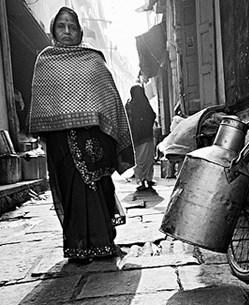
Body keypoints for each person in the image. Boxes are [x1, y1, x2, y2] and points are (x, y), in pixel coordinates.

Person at [29, 7, 134, 263]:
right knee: (72, 191)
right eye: (61, 26)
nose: (66, 31)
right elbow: (42, 104)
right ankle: (77, 246)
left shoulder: (93, 60)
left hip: (93, 141)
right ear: (53, 30)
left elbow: (110, 99)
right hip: (61, 144)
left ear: (80, 32)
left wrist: (107, 131)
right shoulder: (45, 61)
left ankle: (102, 241)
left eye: (72, 27)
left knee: (95, 187)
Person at [125, 85, 156, 190]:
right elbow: (153, 115)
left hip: (136, 138)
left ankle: (141, 181)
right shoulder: (146, 105)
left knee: (139, 160)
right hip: (148, 136)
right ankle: (148, 179)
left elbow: (128, 122)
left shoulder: (129, 106)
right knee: (148, 159)